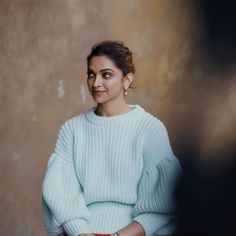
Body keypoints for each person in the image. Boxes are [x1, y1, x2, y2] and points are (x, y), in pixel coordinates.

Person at [42, 40, 181, 236]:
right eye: (91, 75)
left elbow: (163, 206)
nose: (96, 83)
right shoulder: (72, 130)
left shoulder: (150, 129)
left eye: (106, 75)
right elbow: (62, 198)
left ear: (127, 79)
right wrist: (81, 233)